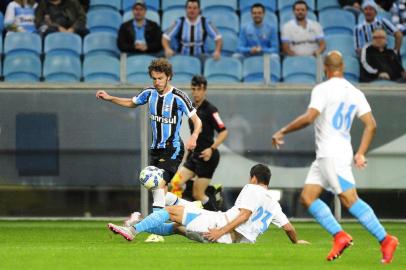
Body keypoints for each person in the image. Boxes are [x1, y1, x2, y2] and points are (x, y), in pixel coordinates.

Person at [271, 51, 399, 263]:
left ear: (325, 68)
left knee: (349, 199)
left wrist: (283, 131)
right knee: (308, 197)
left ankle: (385, 239)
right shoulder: (355, 91)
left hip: (331, 154)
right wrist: (360, 152)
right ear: (343, 68)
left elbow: (309, 117)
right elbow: (371, 125)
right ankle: (340, 236)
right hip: (331, 154)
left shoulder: (322, 89)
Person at [96, 58, 202, 213]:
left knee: (158, 184)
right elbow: (132, 102)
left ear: (169, 77)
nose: (157, 82)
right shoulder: (149, 93)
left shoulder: (179, 97)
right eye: (154, 78)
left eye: (160, 78)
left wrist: (194, 136)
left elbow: (197, 121)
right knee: (158, 190)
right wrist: (110, 98)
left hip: (173, 148)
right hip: (156, 149)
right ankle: (191, 206)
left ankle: (155, 232)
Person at [108, 164, 309, 245]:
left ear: (254, 178)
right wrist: (297, 242)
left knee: (169, 210)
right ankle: (141, 223)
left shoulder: (251, 188)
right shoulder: (274, 204)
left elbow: (244, 216)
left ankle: (133, 229)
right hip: (229, 241)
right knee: (176, 227)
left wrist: (220, 231)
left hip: (216, 227)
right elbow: (289, 228)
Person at [170, 75, 228, 211]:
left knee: (198, 194)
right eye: (193, 89)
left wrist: (211, 149)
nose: (195, 92)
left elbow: (224, 131)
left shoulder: (211, 110)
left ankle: (216, 218)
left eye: (199, 89)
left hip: (208, 156)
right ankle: (174, 216)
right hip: (194, 156)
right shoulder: (192, 109)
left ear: (204, 90)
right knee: (175, 184)